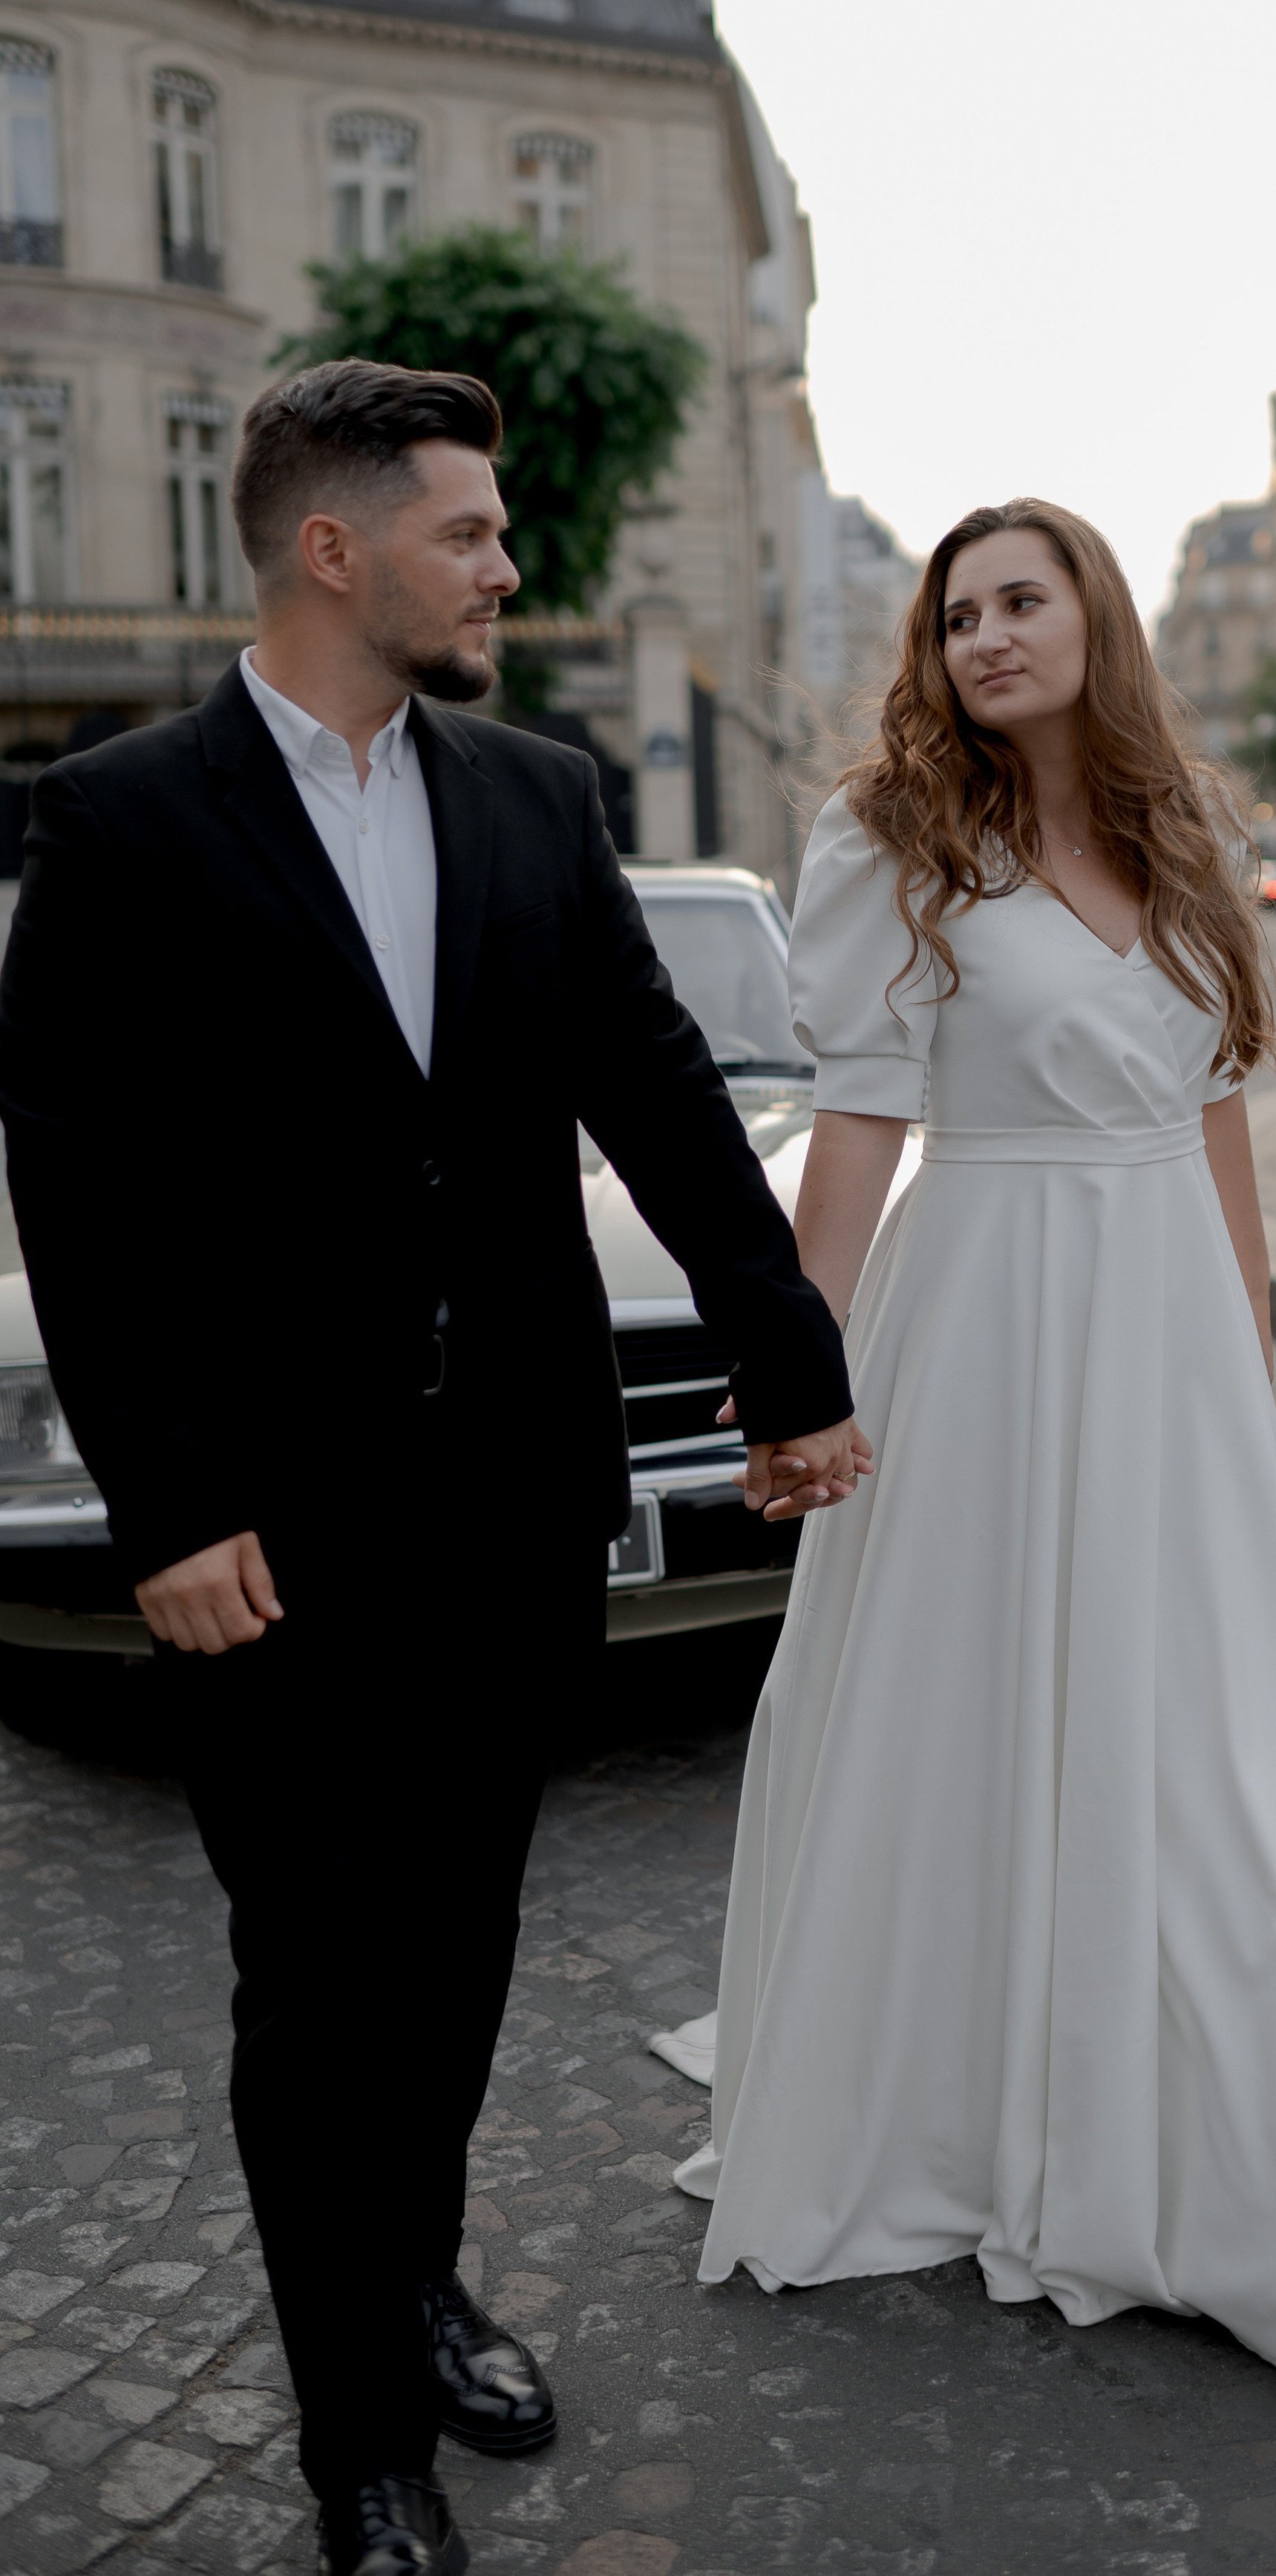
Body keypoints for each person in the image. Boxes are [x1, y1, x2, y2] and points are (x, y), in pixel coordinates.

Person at [0, 360, 867, 2576]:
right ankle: (352, 2441)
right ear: (334, 547)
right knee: (317, 1979)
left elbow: (662, 1092)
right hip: (267, 1536)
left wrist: (788, 1349)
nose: (508, 567)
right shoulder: (119, 821)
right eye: (472, 534)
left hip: (511, 1500)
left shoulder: (535, 792)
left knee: (462, 1941)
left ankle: (417, 2275)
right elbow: (80, 1197)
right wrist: (171, 1507)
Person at [674, 497, 1276, 2388]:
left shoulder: (1185, 827)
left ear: (1095, 615)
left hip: (1160, 1319)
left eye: (1021, 598)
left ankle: (1256, 2129)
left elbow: (1218, 1104)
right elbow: (854, 1121)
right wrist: (795, 1381)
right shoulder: (888, 837)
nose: (987, 634)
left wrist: (1242, 1337)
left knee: (1206, 1736)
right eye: (958, 611)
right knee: (963, 1695)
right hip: (984, 1311)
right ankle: (961, 2077)